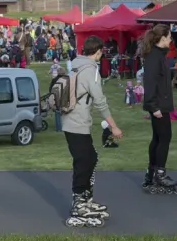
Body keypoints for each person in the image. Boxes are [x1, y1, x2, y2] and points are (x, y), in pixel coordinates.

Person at [61, 35, 122, 228]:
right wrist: (113, 126)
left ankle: (85, 198)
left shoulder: (75, 64)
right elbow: (100, 101)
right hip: (77, 122)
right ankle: (79, 203)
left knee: (90, 157)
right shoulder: (91, 70)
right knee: (83, 161)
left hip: (70, 120)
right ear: (99, 51)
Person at [141, 24, 177, 194]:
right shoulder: (154, 57)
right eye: (169, 37)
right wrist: (153, 105)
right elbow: (150, 82)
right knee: (164, 137)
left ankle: (152, 174)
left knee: (158, 138)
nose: (171, 40)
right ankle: (159, 174)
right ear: (163, 38)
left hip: (160, 102)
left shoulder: (159, 55)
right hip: (158, 104)